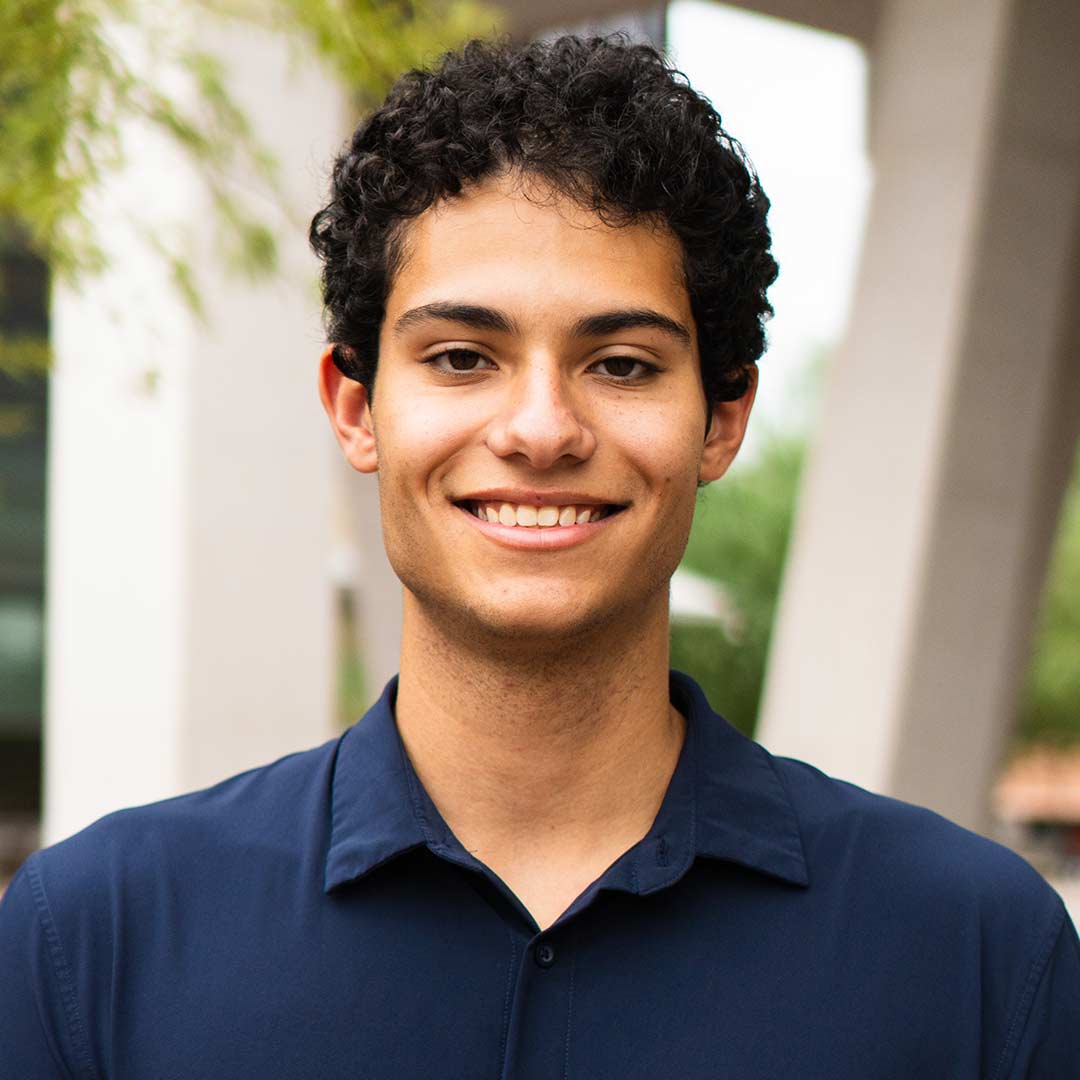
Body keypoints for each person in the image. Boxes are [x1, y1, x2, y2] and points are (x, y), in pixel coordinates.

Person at [1, 33, 1078, 1079]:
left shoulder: (979, 955)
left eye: (619, 364)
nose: (540, 428)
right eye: (463, 357)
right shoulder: (93, 942)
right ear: (357, 407)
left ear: (723, 418)